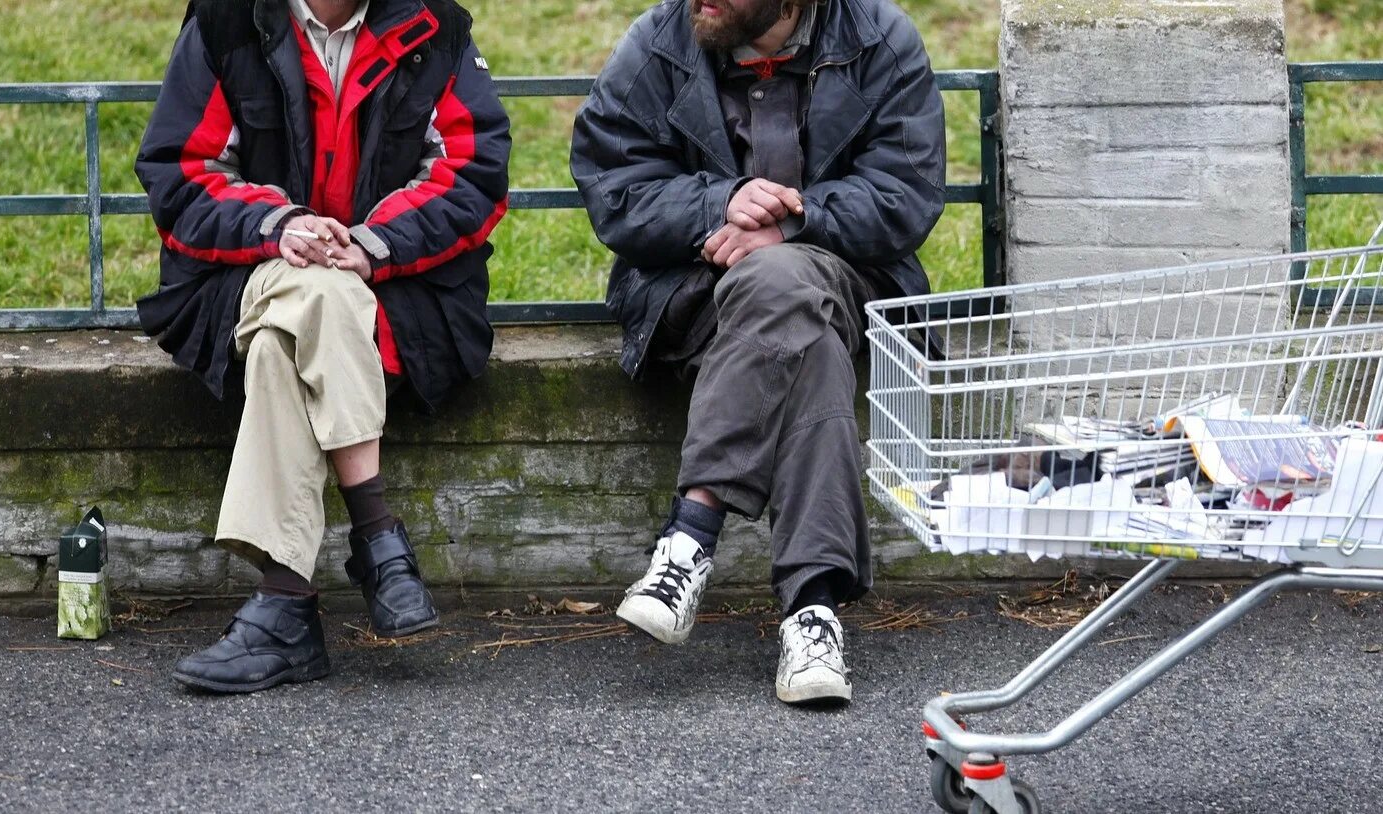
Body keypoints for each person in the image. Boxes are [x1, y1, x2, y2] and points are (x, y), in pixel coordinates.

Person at [570, 0, 944, 704]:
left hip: (844, 274)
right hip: (693, 289)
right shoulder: (663, 38)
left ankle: (691, 534)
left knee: (784, 284)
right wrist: (724, 201)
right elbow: (613, 186)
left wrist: (798, 221)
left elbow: (905, 194)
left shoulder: (878, 37)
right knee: (808, 343)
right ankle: (812, 612)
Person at [135, 0, 510, 693]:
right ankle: (376, 535)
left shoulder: (436, 28)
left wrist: (369, 245)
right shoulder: (226, 22)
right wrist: (278, 225)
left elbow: (472, 172)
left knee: (290, 337)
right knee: (312, 296)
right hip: (244, 274)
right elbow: (180, 171)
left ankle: (287, 609)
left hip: (403, 294)